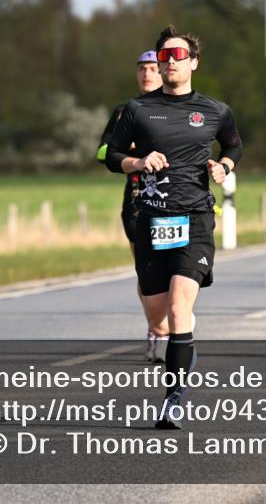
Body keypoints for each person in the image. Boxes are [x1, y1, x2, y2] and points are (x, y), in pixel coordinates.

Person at [104, 25, 242, 429]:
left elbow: (233, 144)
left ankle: (173, 401)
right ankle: (176, 345)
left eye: (177, 56)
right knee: (158, 317)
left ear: (193, 62)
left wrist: (225, 165)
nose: (169, 62)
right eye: (163, 57)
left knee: (182, 310)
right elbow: (110, 154)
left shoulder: (216, 111)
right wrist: (136, 162)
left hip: (196, 218)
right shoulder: (137, 110)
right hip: (151, 220)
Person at [96, 50, 170, 362]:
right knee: (147, 272)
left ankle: (175, 325)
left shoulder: (179, 108)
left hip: (175, 200)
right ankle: (158, 329)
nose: (147, 74)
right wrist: (131, 153)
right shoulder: (124, 112)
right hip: (138, 203)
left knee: (176, 269)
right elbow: (102, 153)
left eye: (153, 68)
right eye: (142, 68)